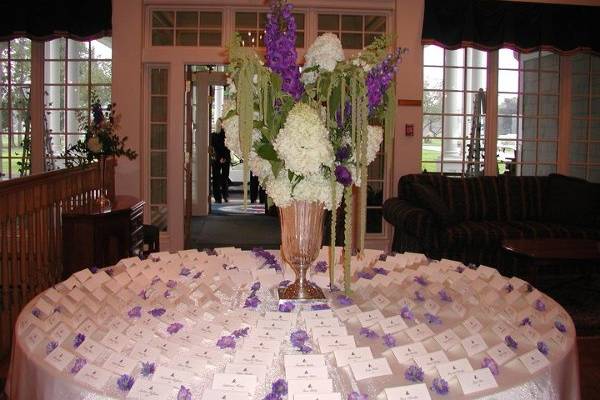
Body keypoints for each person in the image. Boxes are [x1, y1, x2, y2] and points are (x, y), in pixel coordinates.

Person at [210, 118, 231, 203]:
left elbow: (215, 148)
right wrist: (223, 158)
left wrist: (220, 158)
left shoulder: (213, 135)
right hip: (223, 158)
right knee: (224, 178)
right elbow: (227, 148)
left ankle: (218, 197)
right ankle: (225, 196)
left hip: (217, 159)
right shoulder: (227, 135)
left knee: (217, 178)